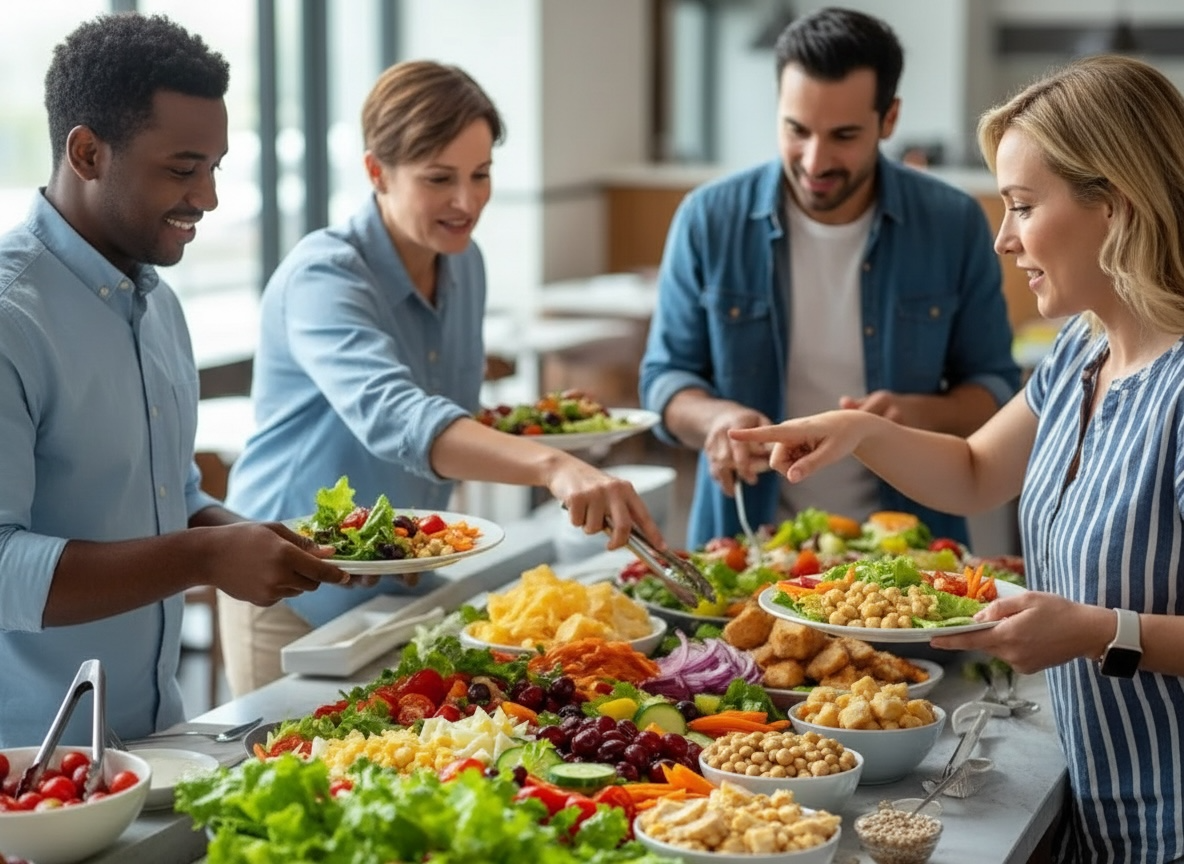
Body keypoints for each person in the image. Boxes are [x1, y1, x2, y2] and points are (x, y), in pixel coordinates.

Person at [732, 54, 1184, 864]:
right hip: (1102, 798)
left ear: (1113, 206)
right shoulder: (1081, 351)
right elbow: (977, 468)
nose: (1005, 239)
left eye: (1021, 206)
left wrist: (1096, 631)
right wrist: (862, 433)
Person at [221, 60, 664, 696]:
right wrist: (551, 466)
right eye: (440, 179)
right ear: (376, 171)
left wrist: (563, 442)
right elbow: (396, 415)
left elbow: (454, 409)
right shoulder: (325, 275)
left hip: (404, 578)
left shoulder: (464, 264)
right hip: (293, 588)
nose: (467, 201)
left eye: (481, 175)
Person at [0, 14, 349, 749]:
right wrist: (205, 559)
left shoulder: (158, 304)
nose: (210, 198)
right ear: (88, 152)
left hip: (152, 741)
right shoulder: (11, 320)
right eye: (184, 169)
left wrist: (256, 539)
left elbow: (170, 497)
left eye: (216, 167)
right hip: (29, 771)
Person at [639, 6, 1020, 548]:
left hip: (910, 553)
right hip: (747, 543)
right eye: (797, 130)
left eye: (843, 135)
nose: (815, 162)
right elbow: (663, 381)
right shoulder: (708, 218)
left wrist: (910, 417)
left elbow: (995, 387)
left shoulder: (953, 222)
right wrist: (715, 418)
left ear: (889, 119)